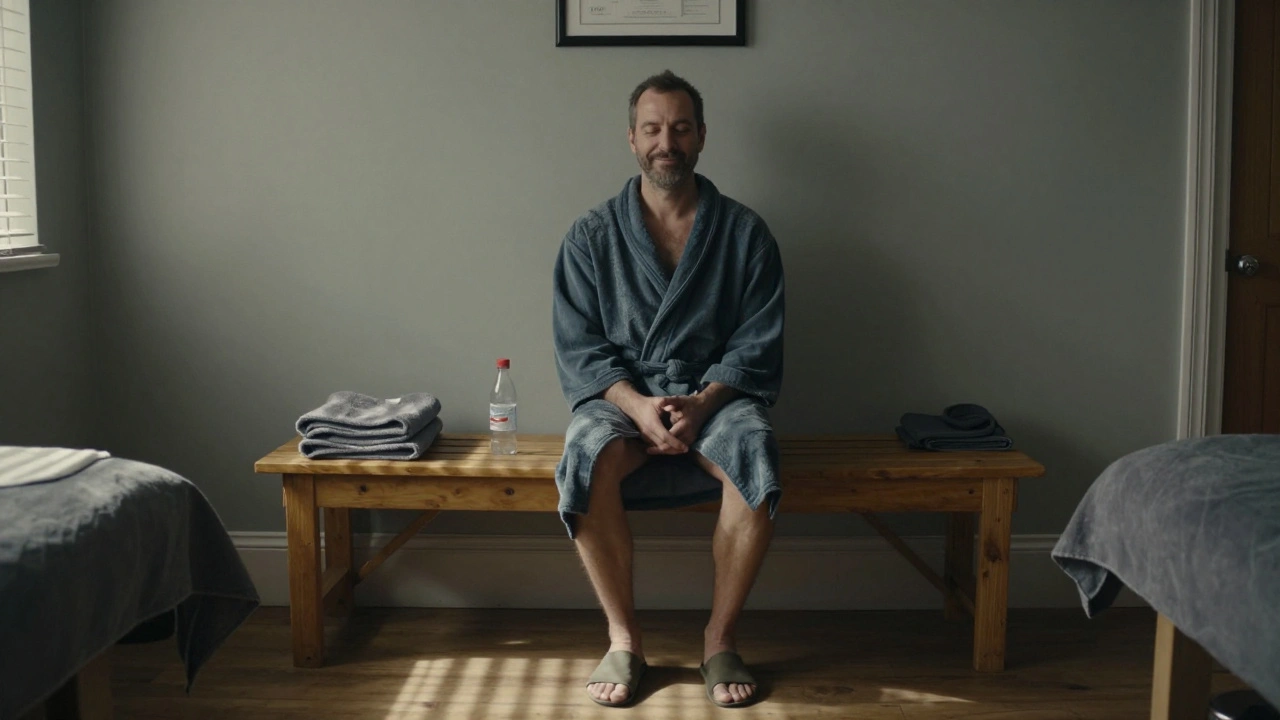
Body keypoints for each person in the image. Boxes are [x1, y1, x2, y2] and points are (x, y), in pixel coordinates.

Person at [551, 70, 786, 709]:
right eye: (653, 128)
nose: (667, 141)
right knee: (585, 453)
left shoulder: (745, 234)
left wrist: (703, 401)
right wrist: (636, 404)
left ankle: (719, 638)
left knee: (755, 451)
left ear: (702, 136)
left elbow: (757, 343)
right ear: (632, 138)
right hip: (623, 401)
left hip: (719, 400)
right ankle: (623, 637)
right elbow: (580, 349)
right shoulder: (591, 237)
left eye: (681, 127)